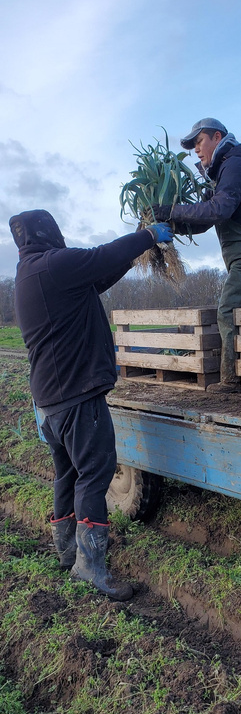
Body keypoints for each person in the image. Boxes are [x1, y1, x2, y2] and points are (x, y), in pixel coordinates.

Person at [9, 209, 173, 600]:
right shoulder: (54, 265)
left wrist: (137, 251)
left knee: (67, 475)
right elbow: (101, 257)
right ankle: (91, 567)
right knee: (95, 475)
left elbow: (98, 276)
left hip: (50, 400)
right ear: (48, 232)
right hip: (75, 396)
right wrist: (148, 236)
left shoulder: (29, 273)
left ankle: (67, 550)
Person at [156, 118, 241, 392]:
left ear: (217, 136)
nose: (196, 151)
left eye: (199, 142)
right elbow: (205, 222)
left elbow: (218, 210)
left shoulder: (234, 164)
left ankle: (232, 380)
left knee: (229, 308)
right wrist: (172, 224)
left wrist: (173, 210)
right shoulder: (217, 172)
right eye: (192, 147)